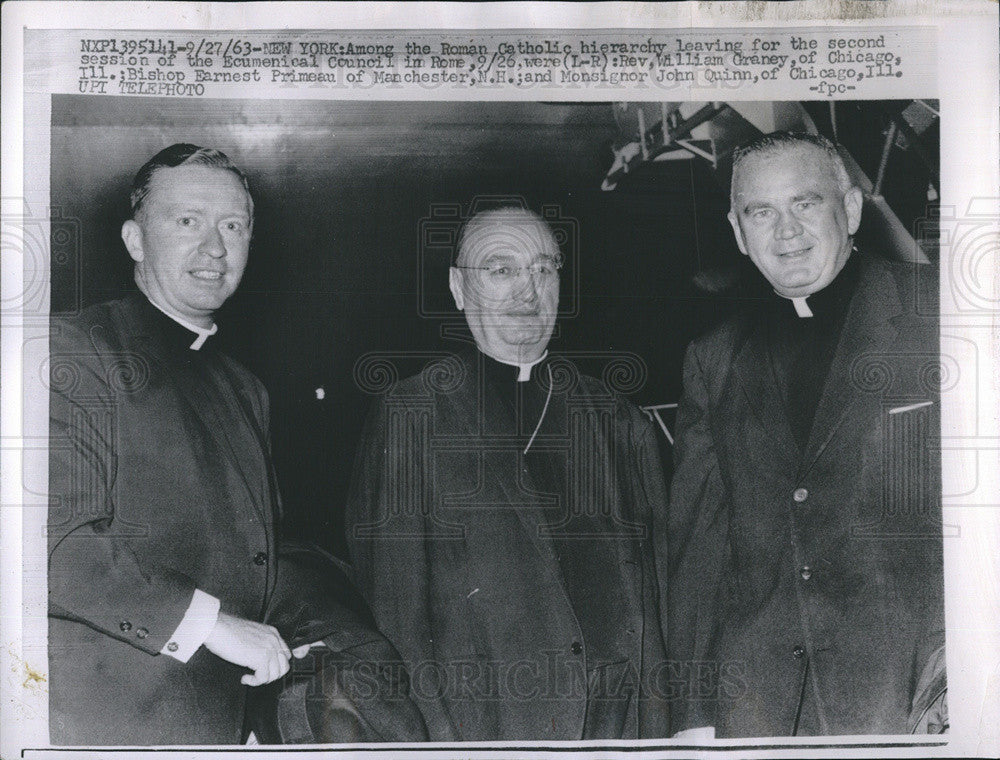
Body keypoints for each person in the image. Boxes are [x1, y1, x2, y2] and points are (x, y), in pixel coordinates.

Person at [47, 144, 426, 745]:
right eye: (187, 221)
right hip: (99, 726)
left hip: (225, 728)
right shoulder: (71, 350)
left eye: (233, 226)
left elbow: (267, 560)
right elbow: (48, 546)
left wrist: (347, 634)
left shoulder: (243, 388)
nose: (216, 248)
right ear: (134, 240)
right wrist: (213, 623)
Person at [345, 207, 670, 740]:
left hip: (621, 719)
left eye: (544, 269)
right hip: (488, 722)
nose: (527, 291)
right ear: (457, 288)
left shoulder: (618, 417)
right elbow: (396, 613)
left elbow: (656, 593)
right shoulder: (413, 413)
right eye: (501, 270)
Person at [664, 132, 946, 737]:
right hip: (759, 704)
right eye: (760, 212)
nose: (785, 231)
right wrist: (693, 716)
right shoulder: (711, 358)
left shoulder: (942, 315)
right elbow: (699, 553)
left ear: (848, 209)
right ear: (738, 233)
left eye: (805, 203)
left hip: (913, 693)